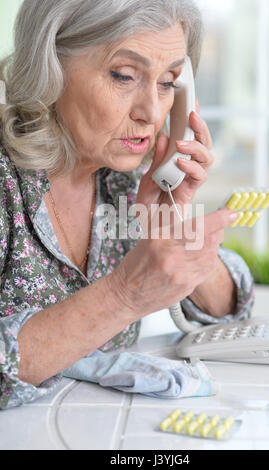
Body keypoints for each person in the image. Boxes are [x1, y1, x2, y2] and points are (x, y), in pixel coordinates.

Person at [0, 0, 254, 410]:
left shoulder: (126, 178)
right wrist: (123, 296)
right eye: (124, 76)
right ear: (49, 68)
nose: (152, 113)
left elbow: (232, 305)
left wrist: (169, 223)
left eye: (169, 82)